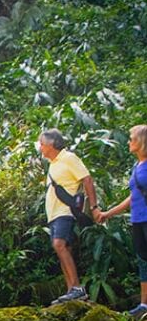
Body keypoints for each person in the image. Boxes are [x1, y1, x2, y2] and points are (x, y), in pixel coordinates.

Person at [38, 129, 99, 305]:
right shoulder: (53, 163)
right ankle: (70, 289)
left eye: (42, 144)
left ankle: (77, 289)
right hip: (54, 214)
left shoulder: (68, 158)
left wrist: (93, 206)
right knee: (62, 247)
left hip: (65, 212)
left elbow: (86, 179)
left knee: (59, 244)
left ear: (51, 144)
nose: (40, 148)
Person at [94, 125, 147, 320]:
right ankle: (144, 305)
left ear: (141, 141)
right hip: (138, 219)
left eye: (131, 138)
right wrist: (108, 213)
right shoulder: (137, 167)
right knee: (143, 261)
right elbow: (133, 197)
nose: (128, 141)